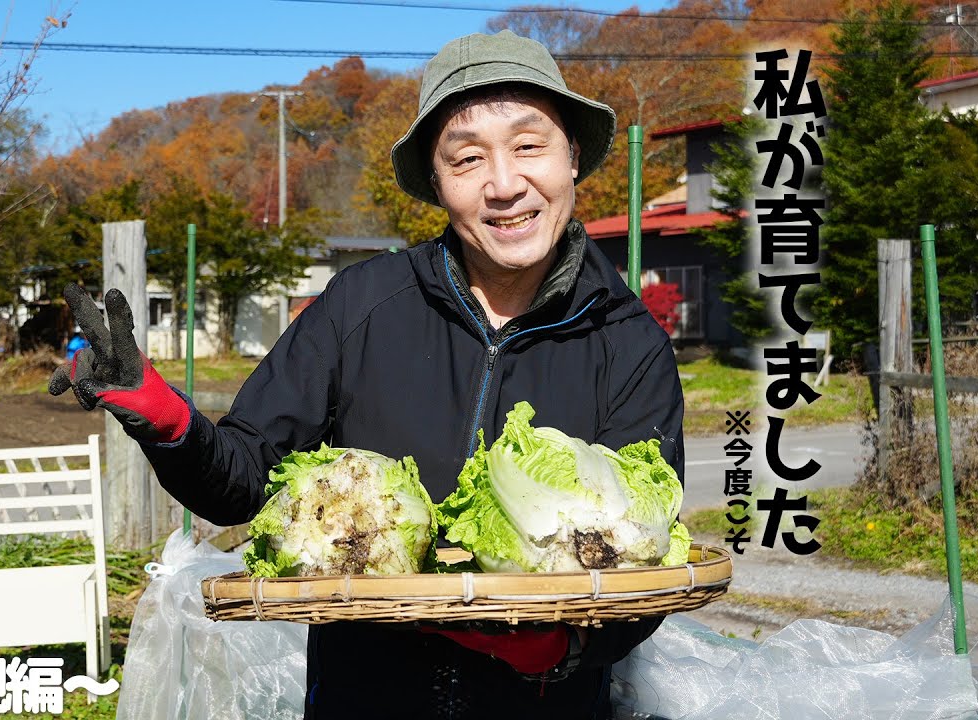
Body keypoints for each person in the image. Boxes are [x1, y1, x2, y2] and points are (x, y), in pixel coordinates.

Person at [50, 29, 683, 720]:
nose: (505, 185)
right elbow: (244, 480)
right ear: (438, 184)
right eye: (468, 158)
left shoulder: (628, 341)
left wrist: (557, 652)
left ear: (573, 160)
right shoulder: (361, 307)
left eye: (529, 146)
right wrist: (164, 416)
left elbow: (644, 553)